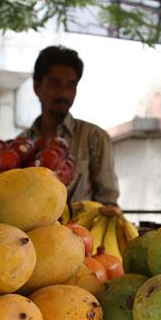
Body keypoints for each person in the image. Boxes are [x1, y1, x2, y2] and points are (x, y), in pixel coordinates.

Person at [23, 45, 120, 205]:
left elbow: (108, 202)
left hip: (82, 229)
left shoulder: (94, 137)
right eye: (55, 84)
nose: (64, 93)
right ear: (37, 86)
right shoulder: (22, 143)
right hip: (29, 230)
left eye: (71, 85)